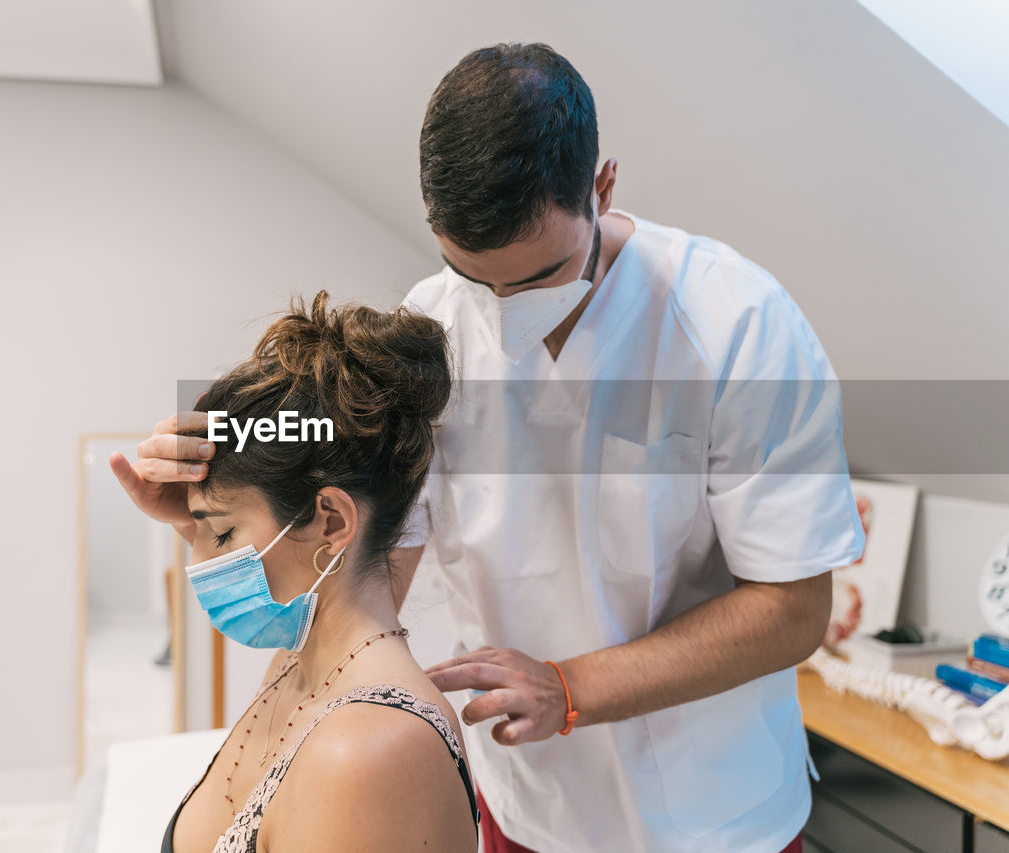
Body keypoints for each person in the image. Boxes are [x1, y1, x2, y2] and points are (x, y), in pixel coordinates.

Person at [119, 43, 863, 853]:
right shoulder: (431, 321)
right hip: (522, 803)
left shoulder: (736, 323)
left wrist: (569, 687)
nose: (502, 312)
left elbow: (794, 610)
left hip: (713, 817)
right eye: (474, 277)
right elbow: (362, 548)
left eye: (537, 277)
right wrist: (216, 499)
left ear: (602, 187)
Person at [126, 291, 478, 853]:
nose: (201, 563)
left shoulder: (366, 753)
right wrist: (201, 517)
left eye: (221, 534)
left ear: (331, 522)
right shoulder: (299, 668)